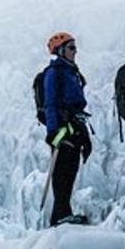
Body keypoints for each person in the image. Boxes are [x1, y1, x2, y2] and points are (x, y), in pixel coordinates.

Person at [41, 31, 92, 226]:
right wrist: (52, 131)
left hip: (74, 127)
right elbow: (50, 103)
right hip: (63, 128)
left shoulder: (71, 72)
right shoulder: (54, 73)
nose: (75, 51)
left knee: (70, 170)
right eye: (71, 48)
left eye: (75, 48)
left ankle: (61, 215)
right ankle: (61, 215)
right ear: (60, 50)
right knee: (62, 171)